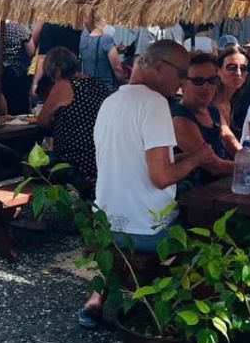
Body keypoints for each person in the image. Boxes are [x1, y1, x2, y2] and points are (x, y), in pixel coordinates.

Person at [80, 41, 217, 328]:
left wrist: (183, 157)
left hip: (105, 226)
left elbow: (134, 160)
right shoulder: (155, 104)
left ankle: (98, 296)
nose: (182, 83)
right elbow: (162, 177)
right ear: (158, 67)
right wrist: (198, 157)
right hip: (145, 233)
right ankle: (176, 311)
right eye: (181, 74)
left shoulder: (111, 101)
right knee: (207, 232)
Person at [36, 46, 110, 187]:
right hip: (101, 156)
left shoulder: (63, 85)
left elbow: (42, 121)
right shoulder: (98, 84)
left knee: (30, 159)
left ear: (56, 71)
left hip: (74, 161)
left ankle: (32, 202)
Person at [172, 52, 242, 184]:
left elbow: (236, 148)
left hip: (218, 190)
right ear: (182, 84)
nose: (206, 86)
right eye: (198, 81)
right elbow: (215, 166)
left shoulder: (213, 110)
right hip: (194, 197)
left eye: (212, 80)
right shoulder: (180, 119)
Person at [30, 21, 81, 99]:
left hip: (50, 80)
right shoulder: (78, 26)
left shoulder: (49, 28)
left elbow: (43, 58)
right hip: (73, 80)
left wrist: (35, 82)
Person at [213, 45, 250, 137]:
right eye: (231, 67)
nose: (238, 73)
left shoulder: (239, 103)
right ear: (218, 71)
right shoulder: (210, 102)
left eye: (243, 68)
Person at [79, 19, 127, 92]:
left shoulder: (83, 38)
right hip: (106, 88)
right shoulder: (107, 40)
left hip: (88, 87)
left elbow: (93, 54)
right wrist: (125, 84)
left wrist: (115, 50)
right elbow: (117, 68)